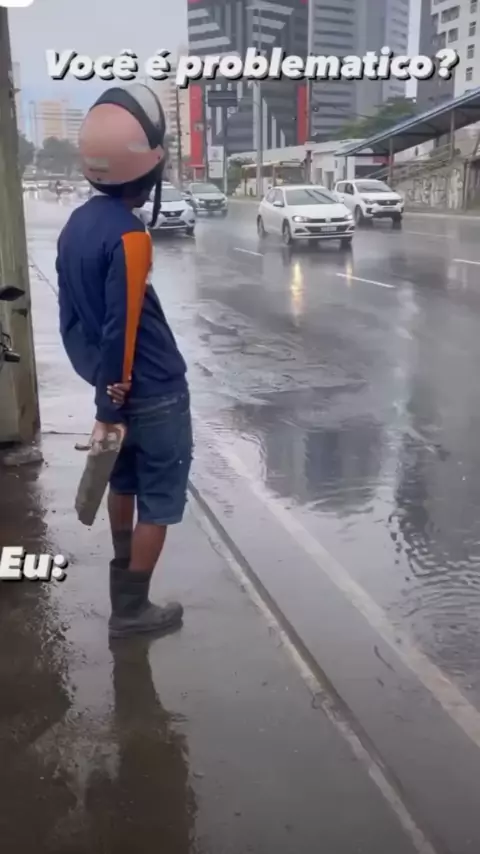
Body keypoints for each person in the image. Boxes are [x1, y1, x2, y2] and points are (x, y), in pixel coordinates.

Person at [55, 83, 192, 639]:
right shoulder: (131, 235)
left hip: (114, 386)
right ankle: (132, 609)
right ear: (149, 168)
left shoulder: (75, 227)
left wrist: (100, 382)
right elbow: (122, 323)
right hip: (153, 390)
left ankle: (122, 579)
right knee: (159, 499)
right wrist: (112, 396)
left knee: (124, 481)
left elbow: (71, 321)